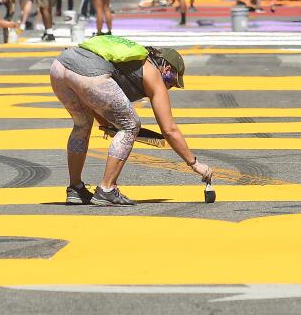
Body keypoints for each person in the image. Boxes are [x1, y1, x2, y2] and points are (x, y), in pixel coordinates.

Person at [49, 36, 212, 206]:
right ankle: (107, 189)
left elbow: (95, 99)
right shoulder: (153, 72)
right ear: (165, 67)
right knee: (130, 125)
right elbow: (169, 130)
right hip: (89, 73)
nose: (169, 87)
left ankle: (75, 188)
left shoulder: (133, 60)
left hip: (60, 67)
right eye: (171, 80)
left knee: (81, 125)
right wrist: (194, 164)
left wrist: (107, 123)